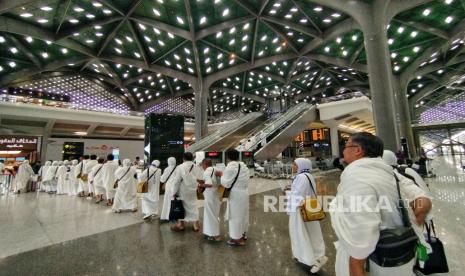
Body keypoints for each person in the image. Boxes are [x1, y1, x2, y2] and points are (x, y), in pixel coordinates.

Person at [329, 132, 432, 276]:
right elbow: (417, 193)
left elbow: (361, 226)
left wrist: (356, 263)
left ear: (358, 150)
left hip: (373, 261)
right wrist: (423, 202)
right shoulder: (387, 172)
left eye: (346, 146)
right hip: (399, 252)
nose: (343, 150)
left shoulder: (357, 177)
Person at [287, 158, 327, 273]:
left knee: (302, 234)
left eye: (295, 164)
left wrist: (287, 193)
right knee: (311, 233)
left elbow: (298, 195)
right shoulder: (308, 175)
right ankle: (312, 256)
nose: (293, 166)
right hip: (308, 208)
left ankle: (314, 258)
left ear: (301, 165)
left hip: (301, 210)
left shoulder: (301, 177)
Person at [220, 149, 250, 246]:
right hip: (244, 192)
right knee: (243, 214)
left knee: (235, 216)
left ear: (228, 157)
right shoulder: (244, 166)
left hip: (236, 194)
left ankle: (237, 239)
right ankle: (243, 233)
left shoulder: (231, 167)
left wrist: (221, 175)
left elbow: (226, 183)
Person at [170, 152, 204, 231]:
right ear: (192, 158)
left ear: (183, 158)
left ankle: (181, 224)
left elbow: (176, 181)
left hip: (183, 190)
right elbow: (201, 179)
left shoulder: (180, 167)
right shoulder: (197, 167)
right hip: (193, 190)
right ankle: (196, 225)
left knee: (181, 206)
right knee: (194, 205)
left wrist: (174, 192)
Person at [199, 159, 222, 241]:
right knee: (213, 214)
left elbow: (209, 184)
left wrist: (200, 184)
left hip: (210, 195)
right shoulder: (215, 169)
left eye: (202, 165)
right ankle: (209, 233)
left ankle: (215, 235)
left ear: (205, 164)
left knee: (210, 215)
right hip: (216, 193)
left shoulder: (206, 172)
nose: (202, 167)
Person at [160, 157, 177, 222]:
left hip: (169, 186)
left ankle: (166, 216)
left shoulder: (167, 169)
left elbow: (162, 179)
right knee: (174, 201)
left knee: (167, 201)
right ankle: (174, 216)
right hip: (176, 186)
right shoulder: (178, 168)